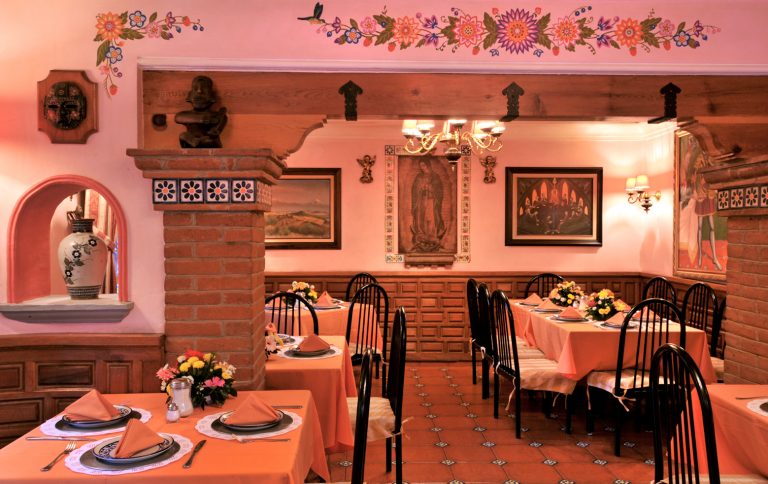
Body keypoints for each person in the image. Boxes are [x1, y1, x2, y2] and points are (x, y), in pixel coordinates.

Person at [174, 76, 228, 148]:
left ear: (212, 98)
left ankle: (198, 142)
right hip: (191, 142)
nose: (199, 91)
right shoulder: (186, 114)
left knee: (209, 140)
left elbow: (218, 129)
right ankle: (195, 142)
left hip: (208, 140)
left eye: (205, 90)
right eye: (195, 89)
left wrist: (215, 130)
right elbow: (178, 118)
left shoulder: (217, 115)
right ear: (189, 97)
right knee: (183, 135)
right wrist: (203, 119)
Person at [410, 158, 446, 252]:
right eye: (420, 166)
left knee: (430, 218)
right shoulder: (418, 177)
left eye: (423, 165)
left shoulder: (435, 177)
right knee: (421, 217)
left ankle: (431, 236)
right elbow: (414, 190)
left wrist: (430, 188)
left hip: (431, 200)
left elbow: (439, 190)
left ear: (428, 165)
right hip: (421, 201)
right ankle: (421, 236)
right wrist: (420, 189)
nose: (422, 167)